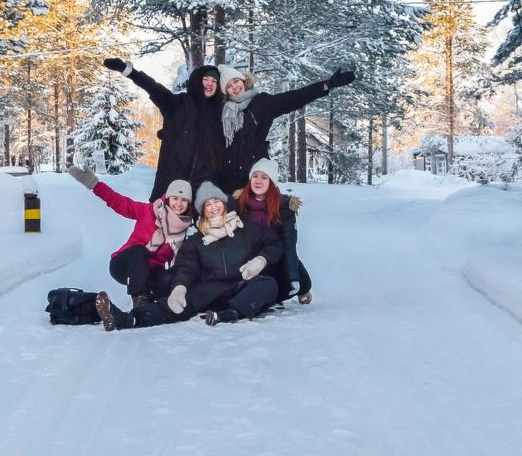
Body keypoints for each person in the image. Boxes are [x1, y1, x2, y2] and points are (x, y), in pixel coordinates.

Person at [95, 181, 283, 331]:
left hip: (241, 287)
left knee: (268, 284)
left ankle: (231, 314)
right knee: (175, 303)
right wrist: (179, 288)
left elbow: (274, 244)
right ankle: (129, 319)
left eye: (216, 201)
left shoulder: (246, 229)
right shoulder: (195, 241)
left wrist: (261, 260)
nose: (213, 207)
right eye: (207, 204)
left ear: (224, 204)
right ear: (202, 211)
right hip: (210, 291)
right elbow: (186, 268)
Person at [217, 64, 357, 192]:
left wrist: (326, 85)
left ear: (243, 80)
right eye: (228, 86)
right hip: (229, 177)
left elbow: (294, 98)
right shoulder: (223, 111)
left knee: (264, 217)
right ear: (225, 92)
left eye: (236, 81)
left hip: (257, 173)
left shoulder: (262, 103)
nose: (234, 87)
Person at [67, 165, 193, 306]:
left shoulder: (183, 232)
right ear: (168, 198)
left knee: (169, 278)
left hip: (150, 272)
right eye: (175, 198)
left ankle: (151, 303)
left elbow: (179, 265)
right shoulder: (148, 211)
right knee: (140, 250)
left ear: (188, 204)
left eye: (184, 200)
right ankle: (139, 301)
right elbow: (118, 202)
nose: (179, 204)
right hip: (124, 264)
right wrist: (94, 184)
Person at [103, 57, 225, 201]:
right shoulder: (177, 104)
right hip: (171, 185)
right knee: (160, 221)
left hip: (204, 191)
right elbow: (152, 86)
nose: (210, 84)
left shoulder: (221, 112)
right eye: (206, 79)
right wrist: (129, 71)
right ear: (198, 80)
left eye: (214, 81)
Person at [236, 157, 312, 304]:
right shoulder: (239, 202)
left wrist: (293, 278)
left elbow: (288, 244)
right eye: (255, 176)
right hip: (249, 255)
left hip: (277, 256)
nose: (258, 181)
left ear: (272, 182)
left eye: (264, 177)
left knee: (288, 286)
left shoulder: (284, 207)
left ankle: (304, 287)